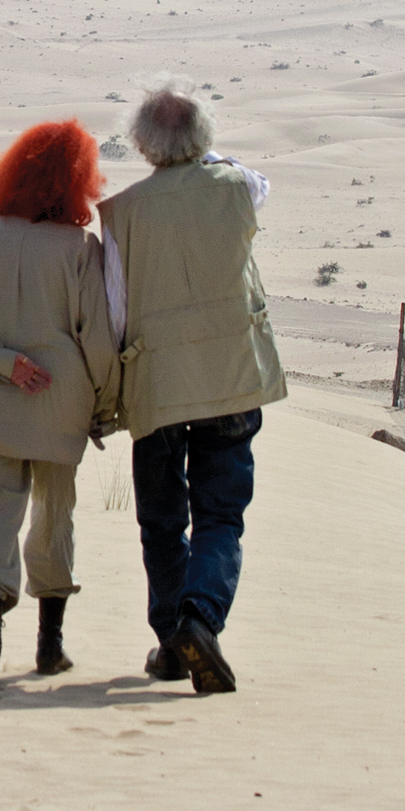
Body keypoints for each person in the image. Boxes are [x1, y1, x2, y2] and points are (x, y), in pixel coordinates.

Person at [99, 83, 287, 695]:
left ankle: (172, 641)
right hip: (230, 377)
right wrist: (207, 159)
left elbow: (116, 311)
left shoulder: (123, 211)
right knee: (219, 514)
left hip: (156, 383)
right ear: (204, 138)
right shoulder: (237, 186)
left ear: (140, 143)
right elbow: (253, 178)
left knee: (160, 518)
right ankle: (199, 619)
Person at [0, 119, 118, 685]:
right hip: (61, 404)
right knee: (54, 520)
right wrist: (104, 406)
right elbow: (99, 339)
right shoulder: (81, 249)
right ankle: (49, 645)